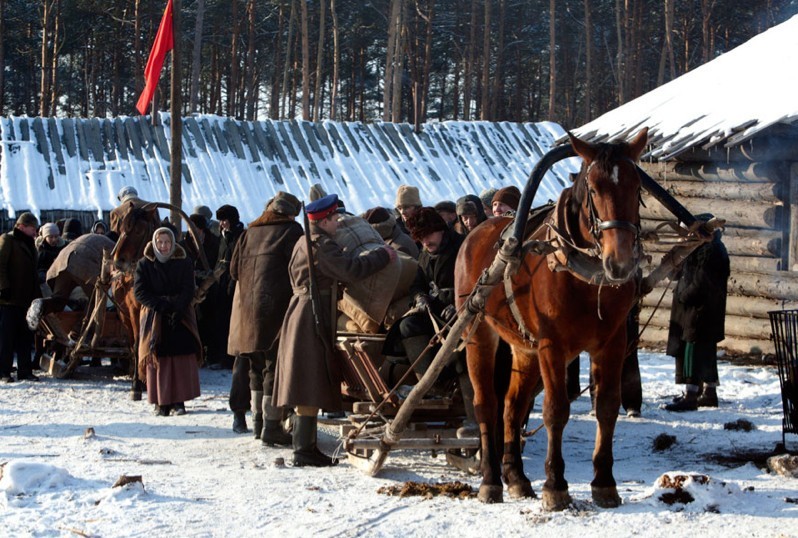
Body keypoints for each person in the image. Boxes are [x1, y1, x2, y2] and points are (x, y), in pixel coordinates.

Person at [273, 194, 395, 467]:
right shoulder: (321, 246)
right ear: (323, 220)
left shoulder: (304, 242)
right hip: (312, 314)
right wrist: (381, 255)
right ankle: (304, 450)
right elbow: (350, 270)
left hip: (304, 310)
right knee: (309, 379)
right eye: (334, 218)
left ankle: (305, 446)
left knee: (306, 378)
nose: (338, 222)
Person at [228, 192, 303, 444]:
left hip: (247, 310)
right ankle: (272, 427)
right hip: (277, 308)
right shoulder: (292, 231)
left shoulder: (248, 232)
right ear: (290, 212)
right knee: (275, 365)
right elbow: (301, 267)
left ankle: (258, 423)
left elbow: (233, 270)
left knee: (255, 367)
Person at [382, 207, 464, 385]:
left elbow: (475, 283)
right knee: (408, 325)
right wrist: (420, 297)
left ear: (440, 229)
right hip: (434, 313)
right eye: (420, 237)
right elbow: (417, 284)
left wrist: (460, 307)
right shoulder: (425, 255)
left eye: (428, 234)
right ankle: (429, 384)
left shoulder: (462, 248)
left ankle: (452, 381)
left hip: (462, 313)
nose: (425, 241)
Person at [134, 227, 202, 416]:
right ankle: (160, 401)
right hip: (155, 313)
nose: (163, 246)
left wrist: (178, 308)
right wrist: (160, 305)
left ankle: (179, 401)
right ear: (154, 243)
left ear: (173, 243)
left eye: (167, 242)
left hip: (180, 312)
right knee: (157, 355)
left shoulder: (184, 262)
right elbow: (139, 291)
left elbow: (189, 287)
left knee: (180, 355)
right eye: (160, 242)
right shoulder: (144, 264)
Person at [665, 215, 730, 412]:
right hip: (696, 307)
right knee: (705, 349)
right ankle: (709, 393)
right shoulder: (696, 247)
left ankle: (691, 395)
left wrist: (684, 296)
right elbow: (677, 273)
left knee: (694, 349)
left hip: (702, 308)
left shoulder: (713, 250)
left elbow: (701, 281)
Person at [215, 204, 248, 432]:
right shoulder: (224, 235)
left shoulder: (241, 236)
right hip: (225, 285)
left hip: (236, 289)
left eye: (224, 219)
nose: (222, 224)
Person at [0, 212, 41, 382]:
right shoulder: (8, 240)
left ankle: (25, 371)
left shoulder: (30, 244)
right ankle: (3, 372)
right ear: (22, 226)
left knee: (25, 338)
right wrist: (3, 287)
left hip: (25, 300)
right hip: (8, 300)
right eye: (33, 228)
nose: (35, 232)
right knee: (6, 339)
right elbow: (0, 265)